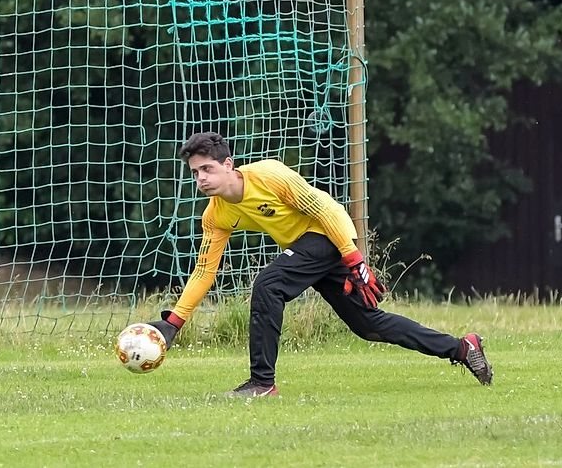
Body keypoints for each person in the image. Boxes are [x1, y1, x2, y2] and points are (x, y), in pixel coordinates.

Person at [147, 131, 493, 397]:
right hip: (308, 250)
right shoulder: (216, 215)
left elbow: (324, 208)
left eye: (207, 169)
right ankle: (462, 347)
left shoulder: (269, 175)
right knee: (369, 326)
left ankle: (261, 383)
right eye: (195, 172)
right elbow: (204, 271)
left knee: (268, 284)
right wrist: (175, 322)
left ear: (228, 165)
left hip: (328, 233)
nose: (201, 178)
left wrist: (353, 257)